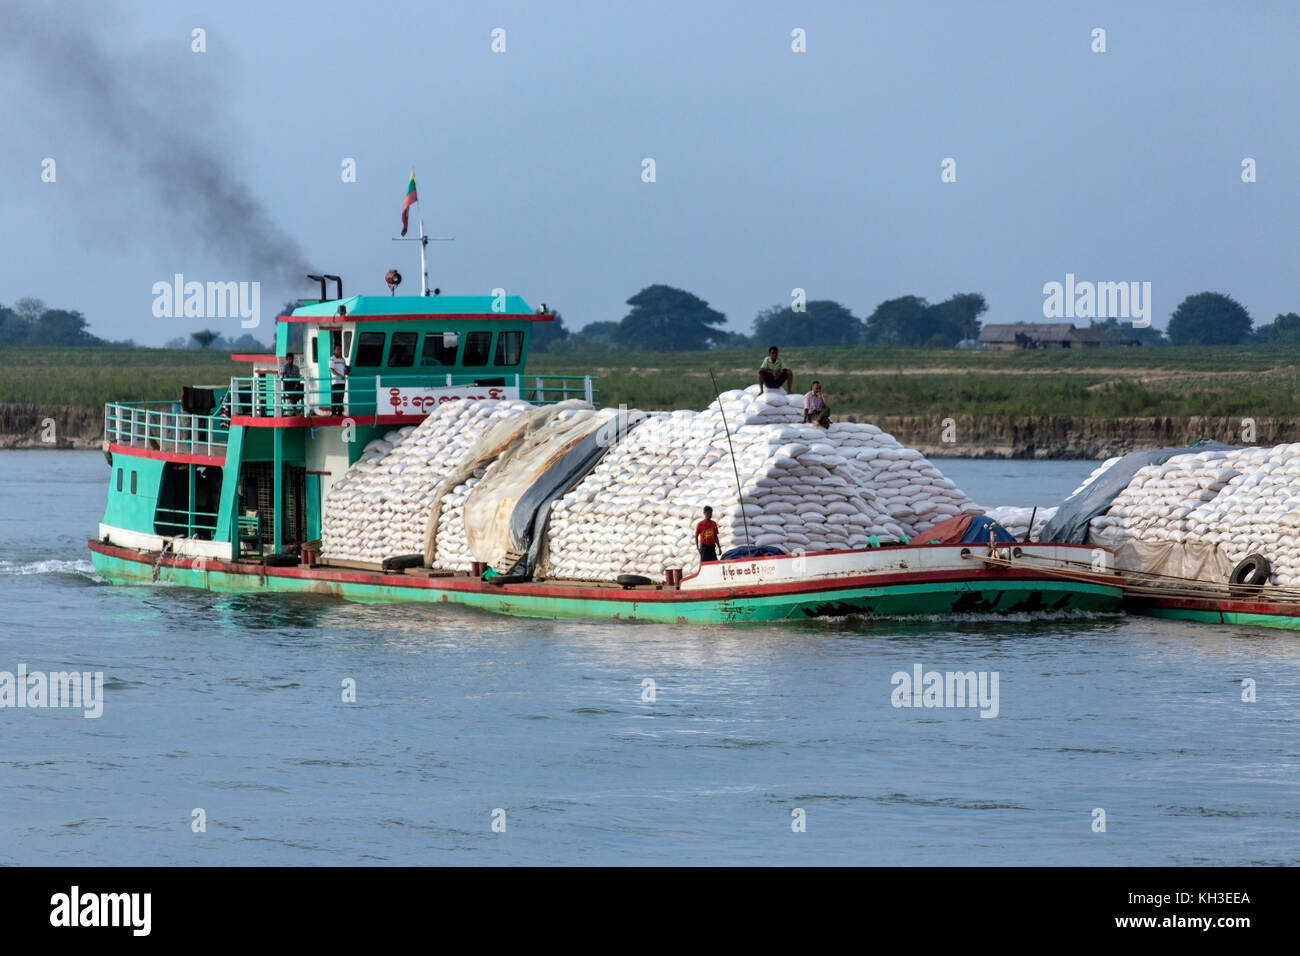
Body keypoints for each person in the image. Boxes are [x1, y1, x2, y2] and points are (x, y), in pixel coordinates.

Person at [329, 344, 348, 415]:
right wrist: (340, 375)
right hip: (335, 381)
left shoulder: (343, 360)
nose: (339, 351)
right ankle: (333, 413)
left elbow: (344, 370)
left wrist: (347, 371)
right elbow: (332, 370)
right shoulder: (332, 359)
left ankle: (340, 413)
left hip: (342, 381)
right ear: (334, 350)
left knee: (340, 397)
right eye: (337, 349)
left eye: (340, 349)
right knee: (335, 398)